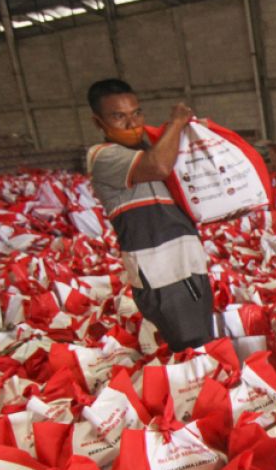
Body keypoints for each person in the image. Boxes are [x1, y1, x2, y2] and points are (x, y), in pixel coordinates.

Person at [85, 78, 214, 352]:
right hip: (162, 275)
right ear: (99, 123)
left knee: (201, 346)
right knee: (192, 351)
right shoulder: (103, 156)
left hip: (187, 265)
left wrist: (194, 137)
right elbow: (158, 166)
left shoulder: (151, 148)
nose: (132, 124)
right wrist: (177, 124)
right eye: (119, 117)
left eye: (136, 113)